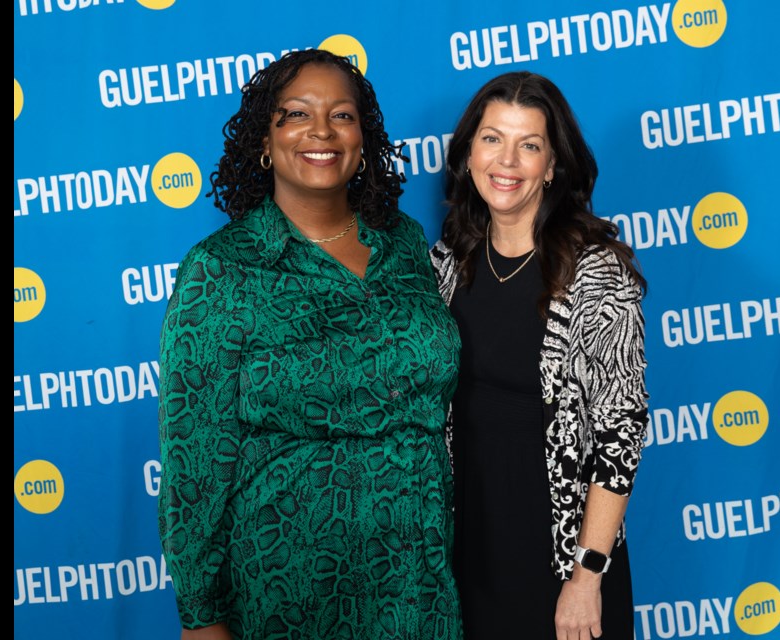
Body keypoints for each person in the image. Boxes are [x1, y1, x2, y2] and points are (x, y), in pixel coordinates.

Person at [158, 49, 463, 640]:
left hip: (417, 582)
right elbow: (194, 462)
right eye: (296, 114)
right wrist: (201, 620)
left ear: (363, 139)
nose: (321, 130)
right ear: (264, 142)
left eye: (342, 116)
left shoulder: (404, 243)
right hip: (289, 587)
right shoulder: (221, 270)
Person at [430, 71, 649, 640]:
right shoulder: (448, 263)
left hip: (561, 563)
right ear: (469, 151)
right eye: (492, 138)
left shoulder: (596, 271)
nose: (507, 160)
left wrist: (587, 576)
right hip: (470, 553)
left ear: (552, 166)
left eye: (529, 145)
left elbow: (621, 432)